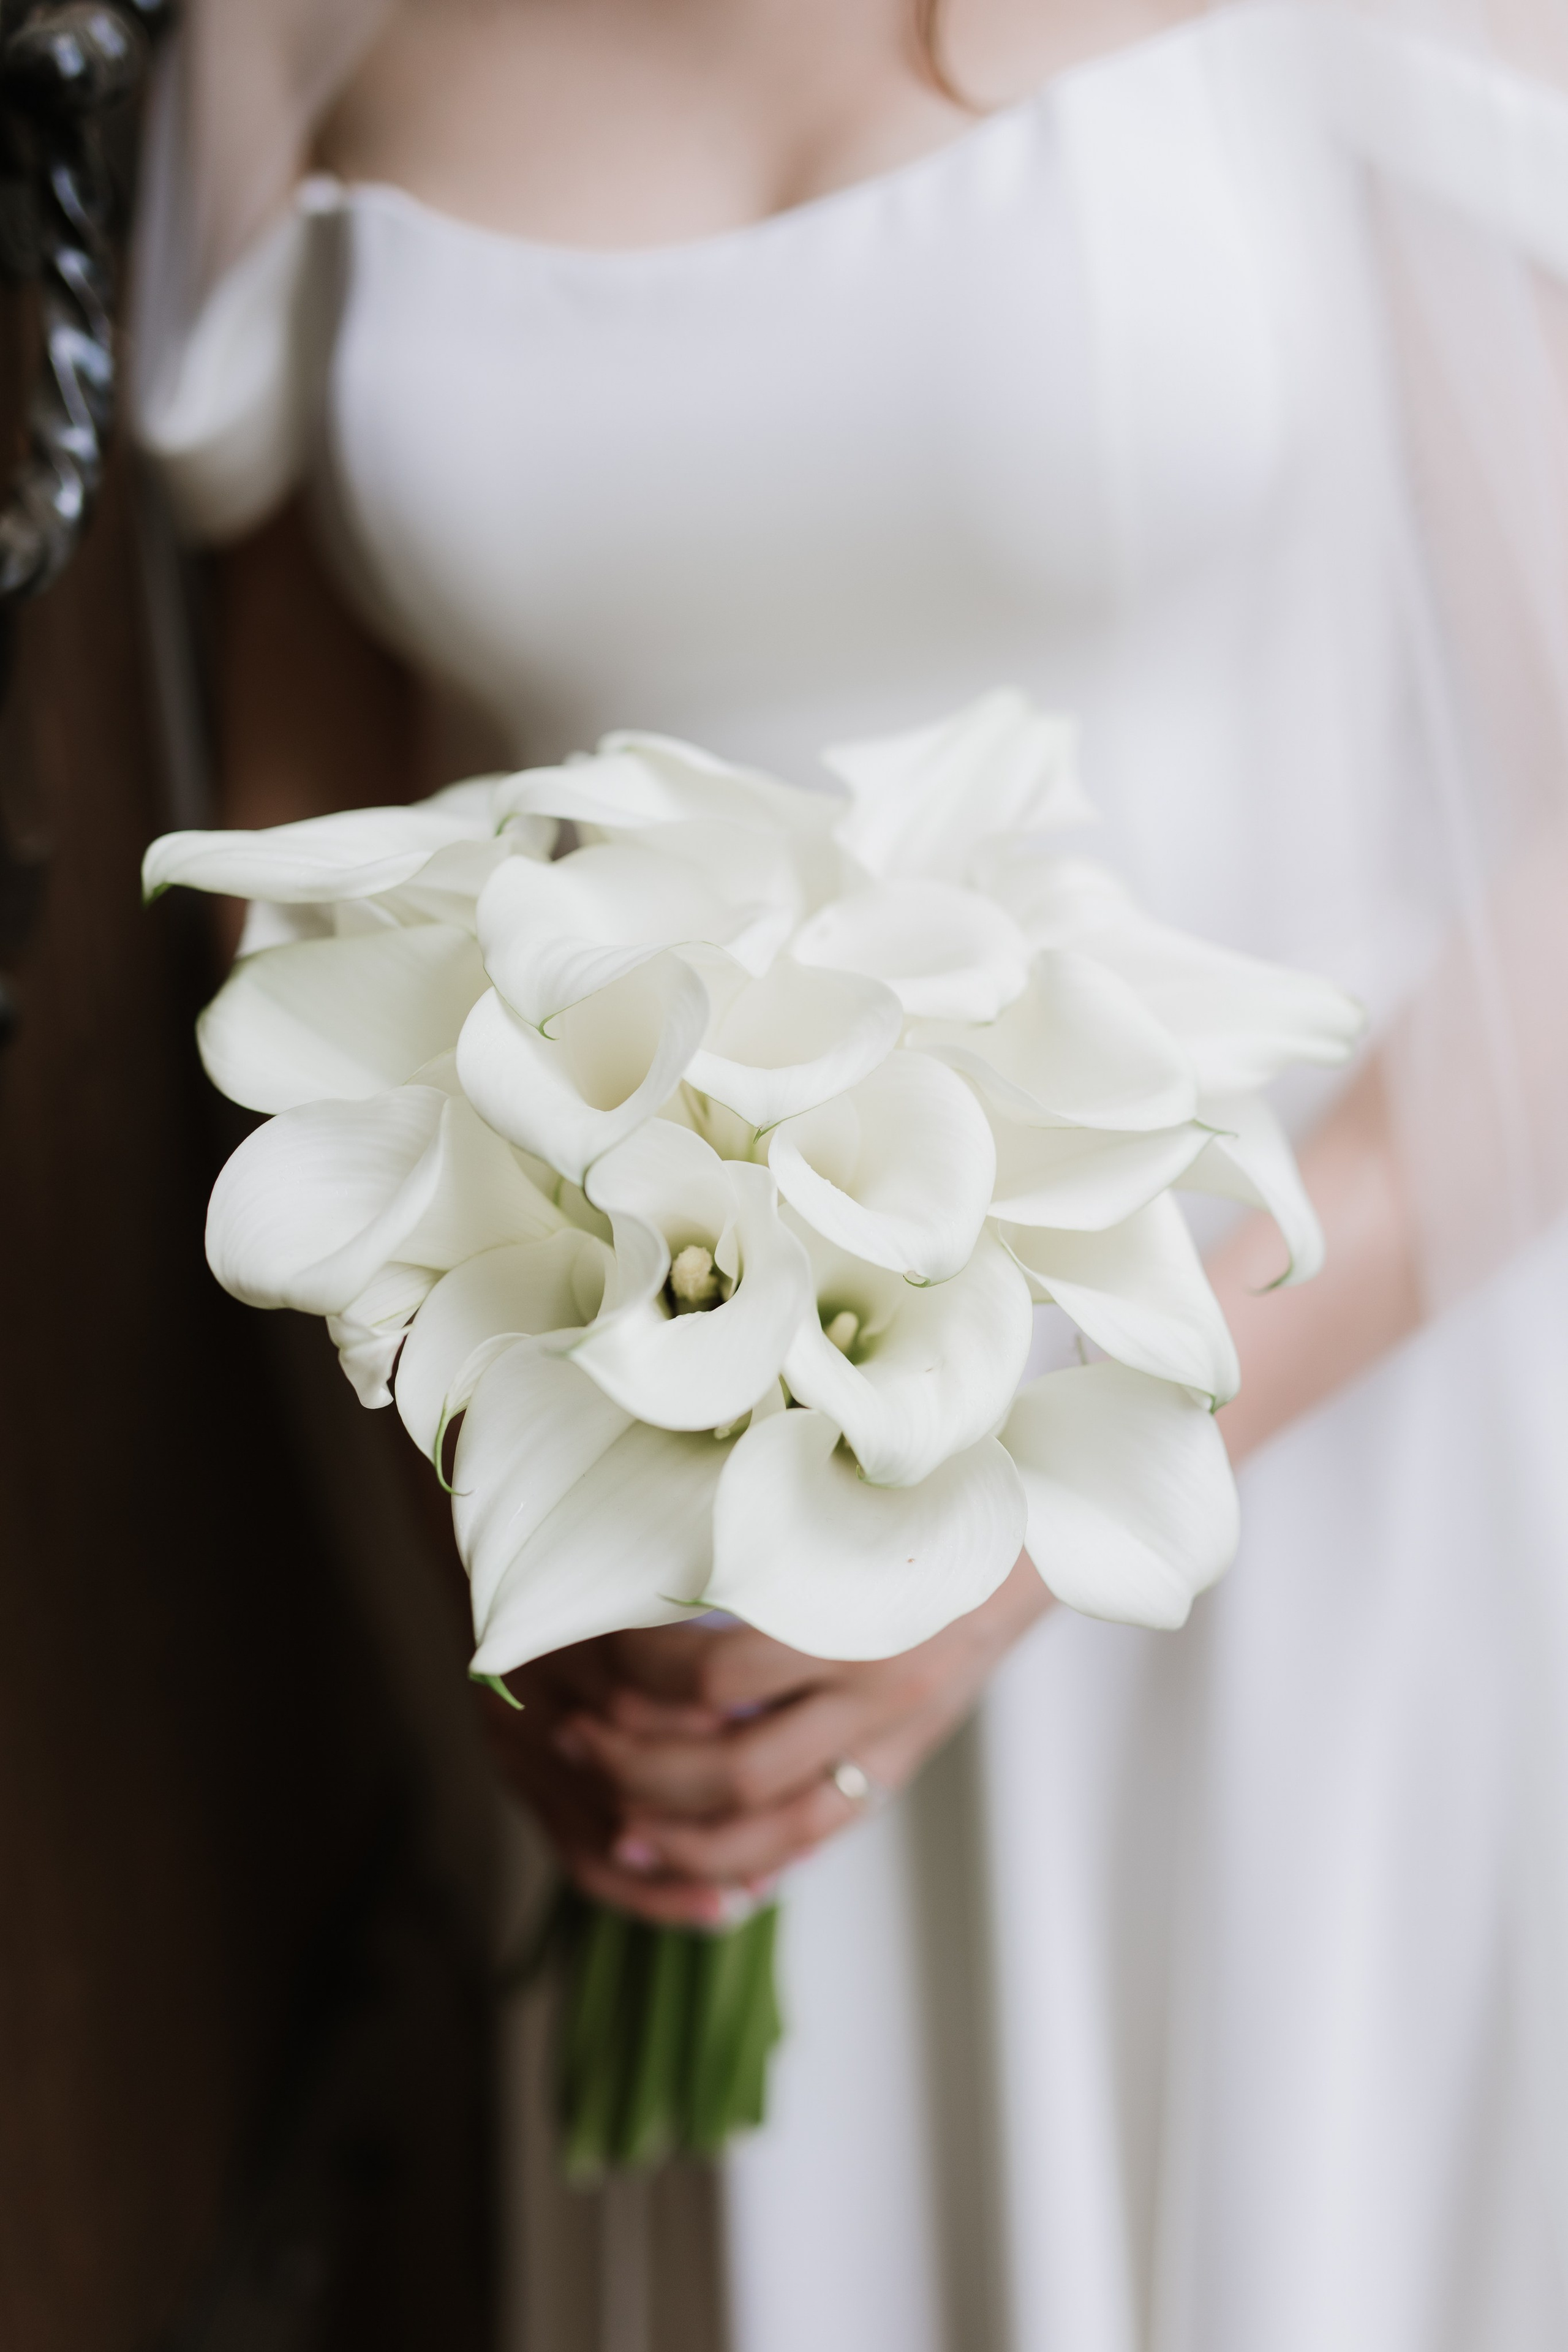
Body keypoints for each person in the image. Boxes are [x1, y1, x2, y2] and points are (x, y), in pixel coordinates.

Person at [133, 1, 1568, 2343]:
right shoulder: (286, 36)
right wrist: (508, 1527)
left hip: (1300, 1503)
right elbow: (299, 831)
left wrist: (1048, 1515)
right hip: (682, 1594)